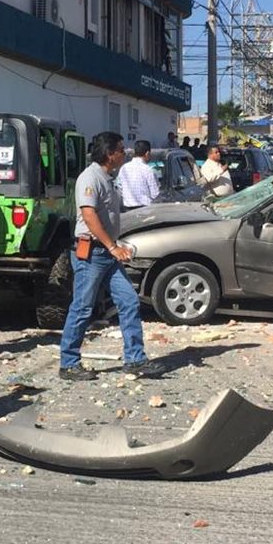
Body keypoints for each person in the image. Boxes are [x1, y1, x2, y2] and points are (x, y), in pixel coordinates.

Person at [58, 132, 163, 381]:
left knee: (129, 302)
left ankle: (135, 359)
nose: (124, 153)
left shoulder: (108, 178)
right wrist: (111, 246)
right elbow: (90, 215)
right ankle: (69, 363)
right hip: (92, 254)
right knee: (82, 308)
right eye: (120, 149)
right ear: (109, 154)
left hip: (107, 253)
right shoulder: (90, 177)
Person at [118, 140, 160, 212]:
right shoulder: (148, 170)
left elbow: (119, 188)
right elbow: (155, 194)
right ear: (147, 153)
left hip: (127, 210)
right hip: (145, 210)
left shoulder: (123, 168)